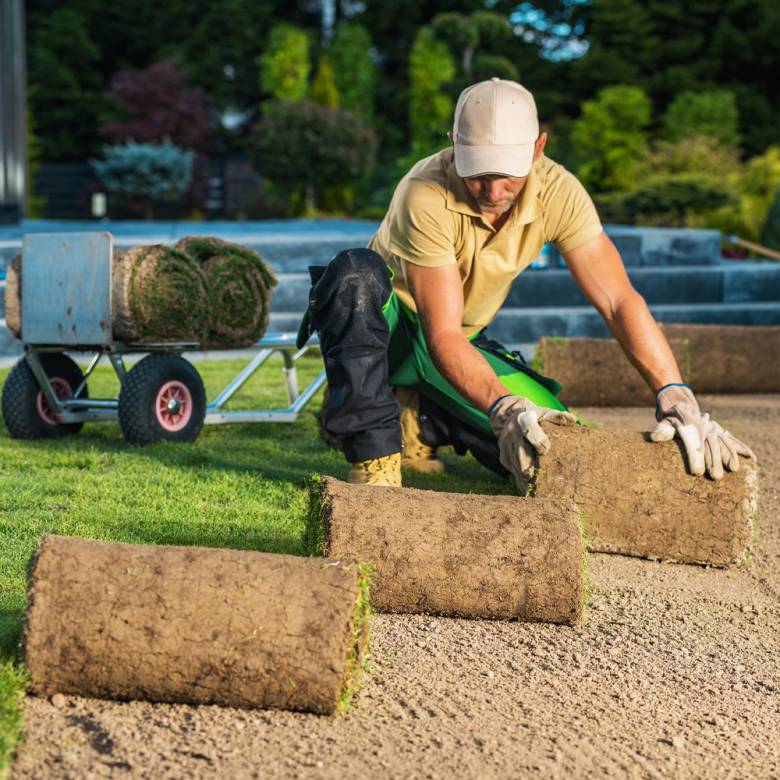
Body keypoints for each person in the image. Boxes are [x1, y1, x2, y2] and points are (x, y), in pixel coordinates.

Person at [298, 78, 754, 488]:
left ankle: (416, 419)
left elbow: (618, 300)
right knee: (354, 273)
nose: (493, 193)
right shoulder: (423, 193)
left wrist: (675, 394)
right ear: (454, 143)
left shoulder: (560, 192)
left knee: (554, 447)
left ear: (538, 149)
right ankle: (372, 444)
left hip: (461, 343)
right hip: (391, 332)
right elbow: (440, 334)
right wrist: (505, 409)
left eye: (507, 174)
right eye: (478, 173)